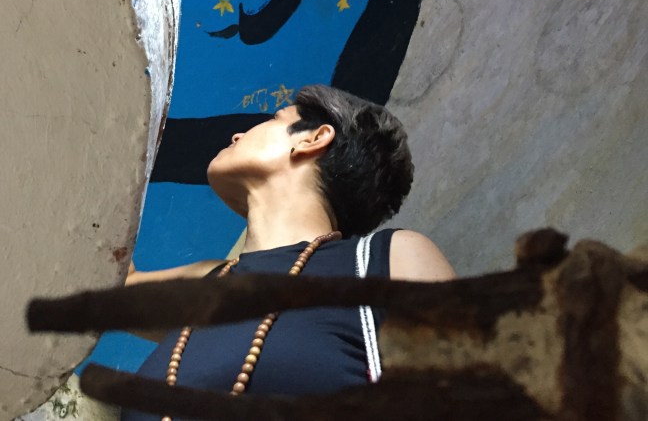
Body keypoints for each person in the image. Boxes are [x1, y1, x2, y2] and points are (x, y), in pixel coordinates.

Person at [123, 84, 454, 418]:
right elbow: (110, 274)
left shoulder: (386, 261)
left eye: (274, 119)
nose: (237, 135)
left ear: (313, 139)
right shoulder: (210, 284)